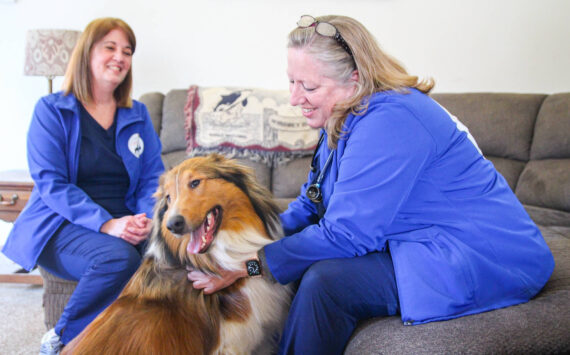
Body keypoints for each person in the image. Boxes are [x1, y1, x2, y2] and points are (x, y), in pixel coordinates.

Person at [187, 14, 556, 354]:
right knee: (296, 263)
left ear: (356, 79)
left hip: (483, 255)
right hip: (417, 240)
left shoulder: (391, 119)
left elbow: (347, 234)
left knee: (324, 281)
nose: (295, 98)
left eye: (309, 86)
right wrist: (241, 241)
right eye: (291, 81)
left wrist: (252, 264)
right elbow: (310, 204)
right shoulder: (343, 115)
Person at [1, 17, 164, 354]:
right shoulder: (52, 110)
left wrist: (144, 220)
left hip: (125, 222)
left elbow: (153, 178)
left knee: (176, 256)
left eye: (127, 51)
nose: (120, 57)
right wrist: (107, 224)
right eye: (110, 47)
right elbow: (51, 183)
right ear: (87, 52)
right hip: (62, 225)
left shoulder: (138, 114)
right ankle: (60, 340)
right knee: (118, 258)